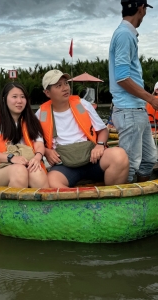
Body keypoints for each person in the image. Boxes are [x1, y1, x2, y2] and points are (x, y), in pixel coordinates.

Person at [35, 69, 129, 188]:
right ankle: (78, 205)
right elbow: (34, 142)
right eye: (59, 86)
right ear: (47, 93)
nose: (65, 88)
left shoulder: (83, 104)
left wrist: (100, 145)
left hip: (92, 158)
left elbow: (103, 131)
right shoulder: (40, 114)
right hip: (63, 164)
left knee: (119, 156)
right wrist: (47, 152)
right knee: (51, 182)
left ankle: (110, 198)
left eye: (66, 83)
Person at [109, 0, 157, 183]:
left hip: (137, 109)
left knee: (149, 160)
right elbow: (122, 78)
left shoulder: (127, 34)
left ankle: (142, 200)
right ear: (140, 9)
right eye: (145, 9)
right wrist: (151, 99)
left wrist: (145, 102)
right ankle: (125, 208)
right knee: (129, 165)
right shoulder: (124, 35)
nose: (144, 14)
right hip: (128, 110)